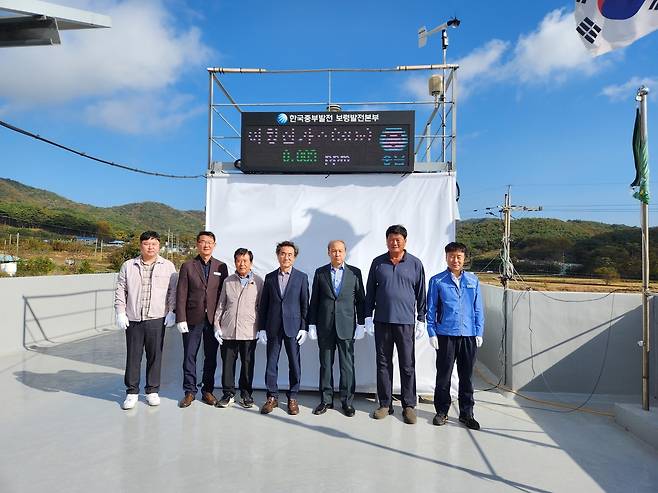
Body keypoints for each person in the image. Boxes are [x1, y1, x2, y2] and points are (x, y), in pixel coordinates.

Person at [365, 224, 426, 424]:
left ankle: (408, 405)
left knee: (407, 365)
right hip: (382, 321)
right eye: (391, 239)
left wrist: (421, 319)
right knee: (383, 364)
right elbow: (370, 292)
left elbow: (421, 294)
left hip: (406, 323)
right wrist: (367, 316)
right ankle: (385, 404)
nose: (394, 242)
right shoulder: (378, 263)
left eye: (398, 239)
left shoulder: (415, 264)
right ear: (386, 241)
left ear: (405, 241)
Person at [114, 230, 177, 410]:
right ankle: (132, 392)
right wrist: (120, 312)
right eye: (147, 243)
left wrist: (172, 311)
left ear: (159, 246)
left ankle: (152, 390)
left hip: (156, 318)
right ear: (140, 245)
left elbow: (173, 290)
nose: (150, 247)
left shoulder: (168, 266)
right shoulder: (128, 265)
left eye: (154, 244)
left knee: (155, 356)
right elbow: (121, 290)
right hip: (133, 318)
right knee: (133, 356)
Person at [426, 241, 484, 430]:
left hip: (468, 334)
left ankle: (467, 414)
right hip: (445, 334)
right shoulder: (437, 281)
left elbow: (478, 309)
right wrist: (431, 332)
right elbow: (431, 308)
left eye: (459, 256)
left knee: (466, 376)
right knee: (444, 375)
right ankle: (441, 411)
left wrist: (479, 331)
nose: (455, 260)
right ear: (446, 257)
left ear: (464, 258)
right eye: (451, 256)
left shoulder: (473, 280)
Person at [308, 240, 366, 417]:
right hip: (325, 326)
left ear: (345, 252)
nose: (337, 254)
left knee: (347, 366)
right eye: (333, 251)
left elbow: (361, 301)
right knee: (326, 365)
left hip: (347, 326)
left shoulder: (355, 273)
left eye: (340, 251)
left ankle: (347, 402)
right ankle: (326, 400)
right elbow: (315, 301)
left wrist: (361, 323)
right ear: (328, 252)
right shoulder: (320, 273)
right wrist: (311, 324)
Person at [176, 231, 229, 408]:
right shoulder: (188, 266)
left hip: (212, 320)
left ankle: (207, 390)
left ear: (214, 245)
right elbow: (181, 293)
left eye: (210, 242)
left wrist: (221, 321)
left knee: (211, 357)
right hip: (192, 318)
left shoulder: (221, 267)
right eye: (203, 242)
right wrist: (180, 318)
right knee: (189, 355)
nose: (206, 245)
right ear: (197, 244)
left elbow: (223, 296)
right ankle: (190, 391)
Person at [258, 241, 309, 415]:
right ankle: (272, 396)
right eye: (282, 253)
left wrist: (304, 327)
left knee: (294, 364)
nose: (286, 257)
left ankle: (293, 397)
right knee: (271, 363)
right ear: (278, 255)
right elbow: (263, 305)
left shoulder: (302, 278)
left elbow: (304, 305)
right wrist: (262, 328)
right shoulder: (270, 277)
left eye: (289, 254)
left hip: (293, 327)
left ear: (294, 257)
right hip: (273, 326)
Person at [213, 248, 263, 408]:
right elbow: (221, 305)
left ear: (251, 263)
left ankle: (246, 394)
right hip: (229, 330)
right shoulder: (228, 281)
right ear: (235, 262)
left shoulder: (259, 282)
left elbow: (262, 306)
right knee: (228, 363)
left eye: (245, 261)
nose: (242, 264)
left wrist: (262, 328)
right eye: (239, 261)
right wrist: (216, 326)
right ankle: (228, 393)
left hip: (249, 330)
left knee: (248, 363)